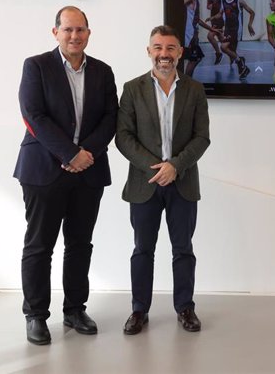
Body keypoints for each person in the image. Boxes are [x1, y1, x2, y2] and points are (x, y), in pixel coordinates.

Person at [14, 6, 118, 345]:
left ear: (89, 33)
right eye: (68, 29)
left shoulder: (102, 71)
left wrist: (86, 154)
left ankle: (74, 310)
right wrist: (69, 153)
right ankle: (36, 316)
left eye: (81, 30)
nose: (75, 36)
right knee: (39, 244)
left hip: (88, 171)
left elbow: (109, 118)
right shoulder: (37, 66)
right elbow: (34, 115)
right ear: (55, 32)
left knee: (79, 244)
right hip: (44, 170)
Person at [116, 25, 210, 335]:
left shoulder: (195, 90)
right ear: (149, 51)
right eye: (158, 47)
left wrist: (175, 166)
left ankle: (185, 308)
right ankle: (139, 310)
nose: (164, 54)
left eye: (170, 48)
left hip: (182, 183)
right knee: (143, 249)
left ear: (180, 52)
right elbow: (123, 137)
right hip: (144, 184)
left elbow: (201, 138)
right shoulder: (132, 89)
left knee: (183, 249)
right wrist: (155, 168)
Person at [216, 0, 255, 79]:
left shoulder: (239, 1)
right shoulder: (223, 0)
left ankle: (240, 61)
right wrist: (211, 18)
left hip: (236, 29)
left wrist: (249, 25)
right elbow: (220, 13)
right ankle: (242, 68)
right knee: (231, 51)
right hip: (227, 28)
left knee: (223, 47)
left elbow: (252, 12)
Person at [183, 0, 221, 78]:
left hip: (193, 35)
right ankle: (186, 81)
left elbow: (198, 20)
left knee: (194, 58)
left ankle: (186, 80)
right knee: (195, 58)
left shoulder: (196, 0)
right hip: (189, 36)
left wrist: (211, 28)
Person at [206, 0, 225, 65]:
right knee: (221, 39)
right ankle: (234, 56)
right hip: (213, 18)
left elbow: (227, 4)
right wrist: (210, 4)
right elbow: (208, 7)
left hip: (219, 19)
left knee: (210, 36)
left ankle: (218, 53)